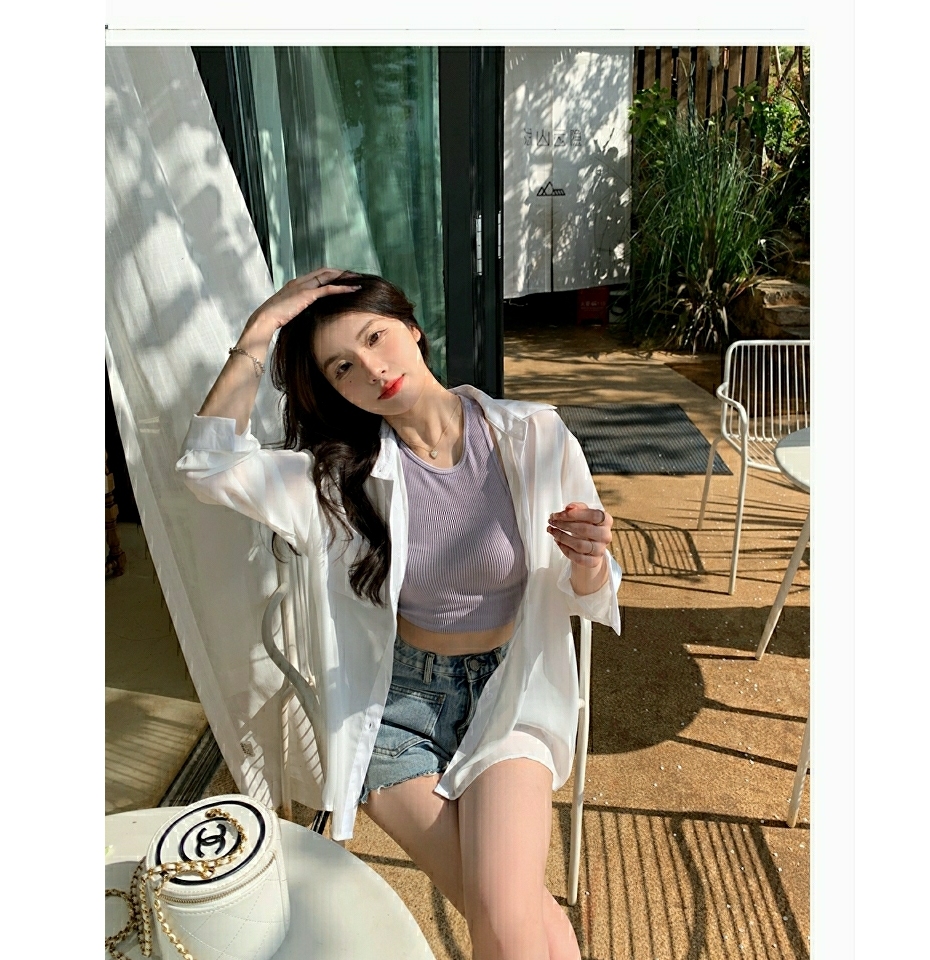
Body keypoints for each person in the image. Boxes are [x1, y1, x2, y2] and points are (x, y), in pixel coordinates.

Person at [177, 267, 622, 960]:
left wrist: (591, 560)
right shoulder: (339, 478)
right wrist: (260, 329)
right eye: (343, 367)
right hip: (395, 713)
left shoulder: (534, 434)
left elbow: (589, 590)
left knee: (504, 918)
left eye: (376, 337)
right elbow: (207, 468)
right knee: (515, 916)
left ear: (412, 329)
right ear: (334, 390)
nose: (372, 369)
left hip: (510, 692)